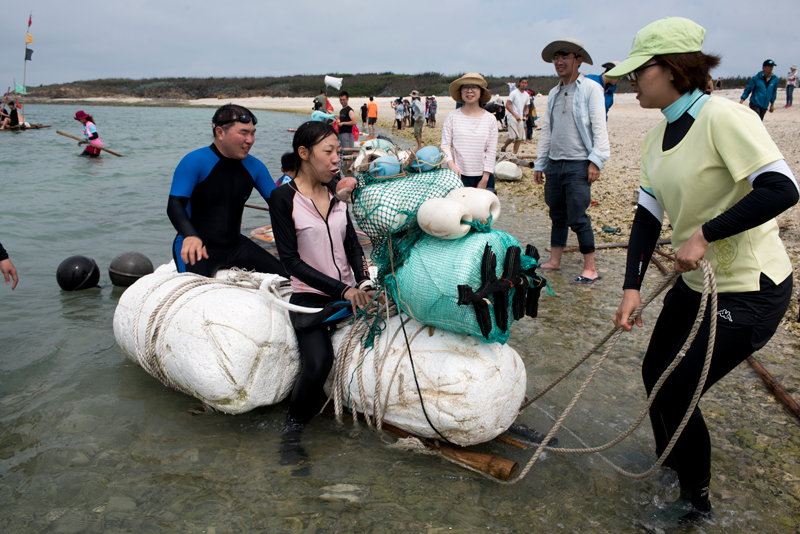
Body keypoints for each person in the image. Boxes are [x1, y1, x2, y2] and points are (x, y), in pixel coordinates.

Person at [607, 17, 798, 524]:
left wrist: (704, 234)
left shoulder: (725, 117)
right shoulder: (654, 139)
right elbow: (646, 220)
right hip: (693, 285)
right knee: (655, 375)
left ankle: (697, 506)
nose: (631, 81)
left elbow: (782, 189)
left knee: (679, 388)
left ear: (671, 69)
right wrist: (630, 289)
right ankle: (672, 464)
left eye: (638, 72)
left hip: (750, 290)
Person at [269, 121, 375, 466]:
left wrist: (363, 283)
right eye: (328, 152)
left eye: (337, 152)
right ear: (303, 153)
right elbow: (290, 262)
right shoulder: (284, 198)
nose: (336, 160)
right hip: (311, 298)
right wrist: (342, 289)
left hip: (349, 292)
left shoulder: (338, 195)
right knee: (318, 365)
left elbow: (353, 246)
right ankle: (292, 435)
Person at [166, 104, 287, 278]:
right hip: (199, 247)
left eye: (253, 133)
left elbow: (279, 203)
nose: (250, 140)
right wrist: (190, 235)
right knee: (199, 298)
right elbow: (175, 205)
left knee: (285, 277)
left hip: (236, 246)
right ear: (220, 132)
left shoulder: (255, 166)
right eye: (243, 133)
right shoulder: (194, 161)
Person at [533, 38, 609, 284]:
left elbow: (600, 127)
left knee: (578, 216)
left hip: (578, 163)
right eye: (556, 57)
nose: (558, 61)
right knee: (557, 214)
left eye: (564, 56)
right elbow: (547, 130)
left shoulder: (590, 88)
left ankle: (591, 268)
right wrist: (540, 163)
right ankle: (555, 262)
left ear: (578, 60)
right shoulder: (555, 92)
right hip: (555, 163)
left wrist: (596, 161)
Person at [441, 73, 499, 193]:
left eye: (474, 87)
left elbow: (491, 150)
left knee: (482, 211)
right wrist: (452, 167)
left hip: (483, 176)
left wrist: (485, 178)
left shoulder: (490, 119)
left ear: (481, 91)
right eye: (465, 87)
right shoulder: (452, 116)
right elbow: (445, 145)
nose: (470, 91)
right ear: (461, 91)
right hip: (458, 175)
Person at [501, 77, 530, 153]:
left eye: (525, 83)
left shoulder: (527, 95)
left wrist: (526, 115)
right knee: (512, 136)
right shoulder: (514, 93)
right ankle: (504, 147)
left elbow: (526, 107)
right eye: (522, 83)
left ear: (527, 84)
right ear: (519, 83)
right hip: (512, 117)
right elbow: (507, 105)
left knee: (519, 138)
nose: (524, 84)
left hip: (520, 118)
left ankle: (515, 153)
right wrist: (515, 115)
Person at [337, 91, 357, 168]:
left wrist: (343, 123)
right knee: (342, 154)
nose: (342, 101)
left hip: (347, 134)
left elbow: (354, 122)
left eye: (344, 99)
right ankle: (343, 171)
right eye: (341, 100)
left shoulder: (350, 110)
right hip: (341, 134)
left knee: (348, 154)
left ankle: (349, 171)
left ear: (347, 99)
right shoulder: (342, 110)